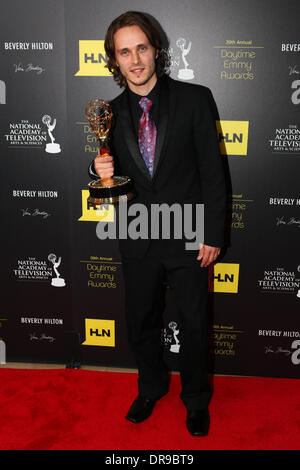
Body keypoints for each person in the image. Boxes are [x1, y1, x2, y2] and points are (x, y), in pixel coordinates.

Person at [88, 11, 227, 436]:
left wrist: (213, 233)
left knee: (194, 322)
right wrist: (99, 171)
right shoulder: (107, 115)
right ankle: (150, 387)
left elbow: (213, 173)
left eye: (141, 48)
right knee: (141, 320)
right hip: (136, 235)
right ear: (114, 59)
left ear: (156, 50)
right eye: (124, 51)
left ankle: (196, 399)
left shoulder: (196, 99)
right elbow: (105, 186)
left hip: (188, 233)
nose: (135, 59)